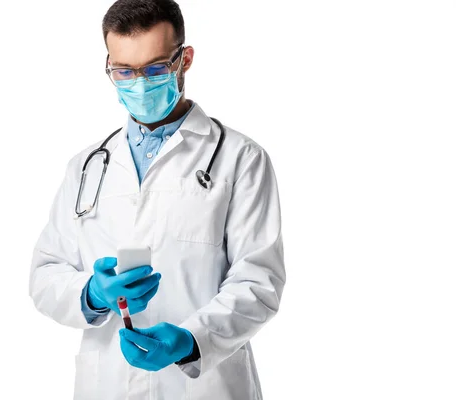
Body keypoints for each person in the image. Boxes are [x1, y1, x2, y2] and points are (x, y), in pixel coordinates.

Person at [28, 0, 285, 399]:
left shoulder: (240, 158)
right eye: (124, 71)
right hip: (107, 384)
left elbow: (259, 281)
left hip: (204, 387)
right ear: (108, 67)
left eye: (155, 68)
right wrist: (92, 294)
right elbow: (45, 276)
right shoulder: (87, 166)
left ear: (185, 59)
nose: (140, 83)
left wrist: (190, 340)